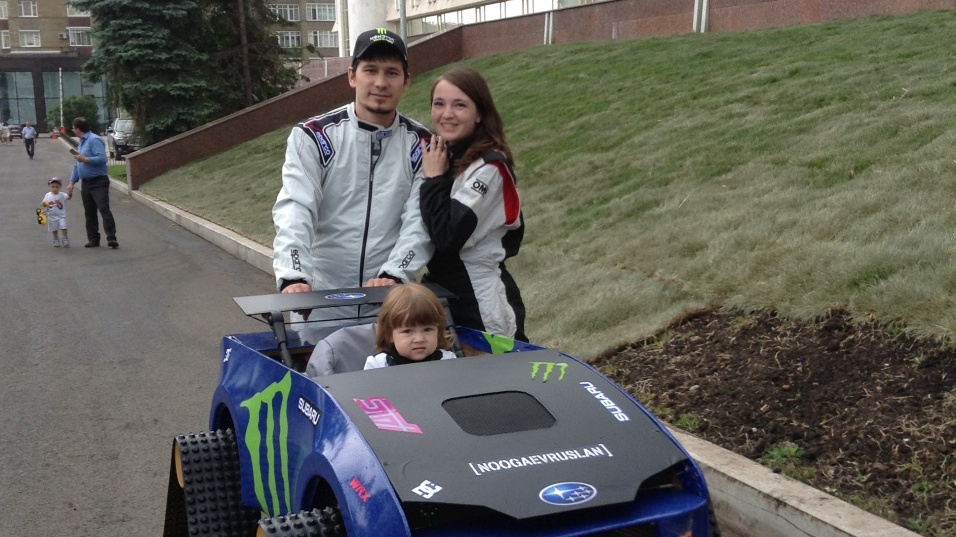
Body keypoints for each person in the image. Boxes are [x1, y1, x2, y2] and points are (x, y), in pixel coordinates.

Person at [272, 28, 433, 324]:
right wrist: (293, 275)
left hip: (389, 302)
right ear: (351, 76)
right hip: (321, 302)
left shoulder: (423, 144)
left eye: (392, 72)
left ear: (406, 81)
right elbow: (296, 207)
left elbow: (420, 219)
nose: (380, 82)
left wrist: (395, 274)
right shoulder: (314, 136)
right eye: (370, 70)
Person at [418, 67, 528, 341]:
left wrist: (433, 180)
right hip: (442, 294)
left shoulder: (490, 166)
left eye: (460, 105)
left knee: (500, 368)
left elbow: (448, 235)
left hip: (481, 297)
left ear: (479, 113)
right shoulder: (442, 155)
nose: (447, 114)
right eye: (439, 104)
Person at [363, 283, 457, 369]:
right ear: (389, 334)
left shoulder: (448, 361)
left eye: (427, 330)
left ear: (438, 331)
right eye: (407, 331)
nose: (419, 339)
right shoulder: (379, 365)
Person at [66, 117, 118, 249]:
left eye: (74, 128)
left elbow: (102, 158)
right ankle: (93, 239)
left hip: (98, 181)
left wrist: (85, 159)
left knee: (103, 209)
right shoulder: (82, 142)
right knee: (89, 212)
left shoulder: (94, 139)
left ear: (78, 129)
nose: (73, 130)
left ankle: (111, 237)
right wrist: (71, 182)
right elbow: (77, 165)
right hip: (86, 183)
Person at [41, 177, 70, 247]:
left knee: (64, 227)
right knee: (54, 229)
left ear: (60, 186)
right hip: (52, 216)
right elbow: (43, 203)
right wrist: (45, 204)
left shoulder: (62, 194)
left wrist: (70, 192)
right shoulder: (48, 195)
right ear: (49, 186)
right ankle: (56, 239)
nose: (55, 188)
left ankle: (65, 238)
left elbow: (68, 197)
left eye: (57, 187)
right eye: (53, 187)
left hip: (61, 215)